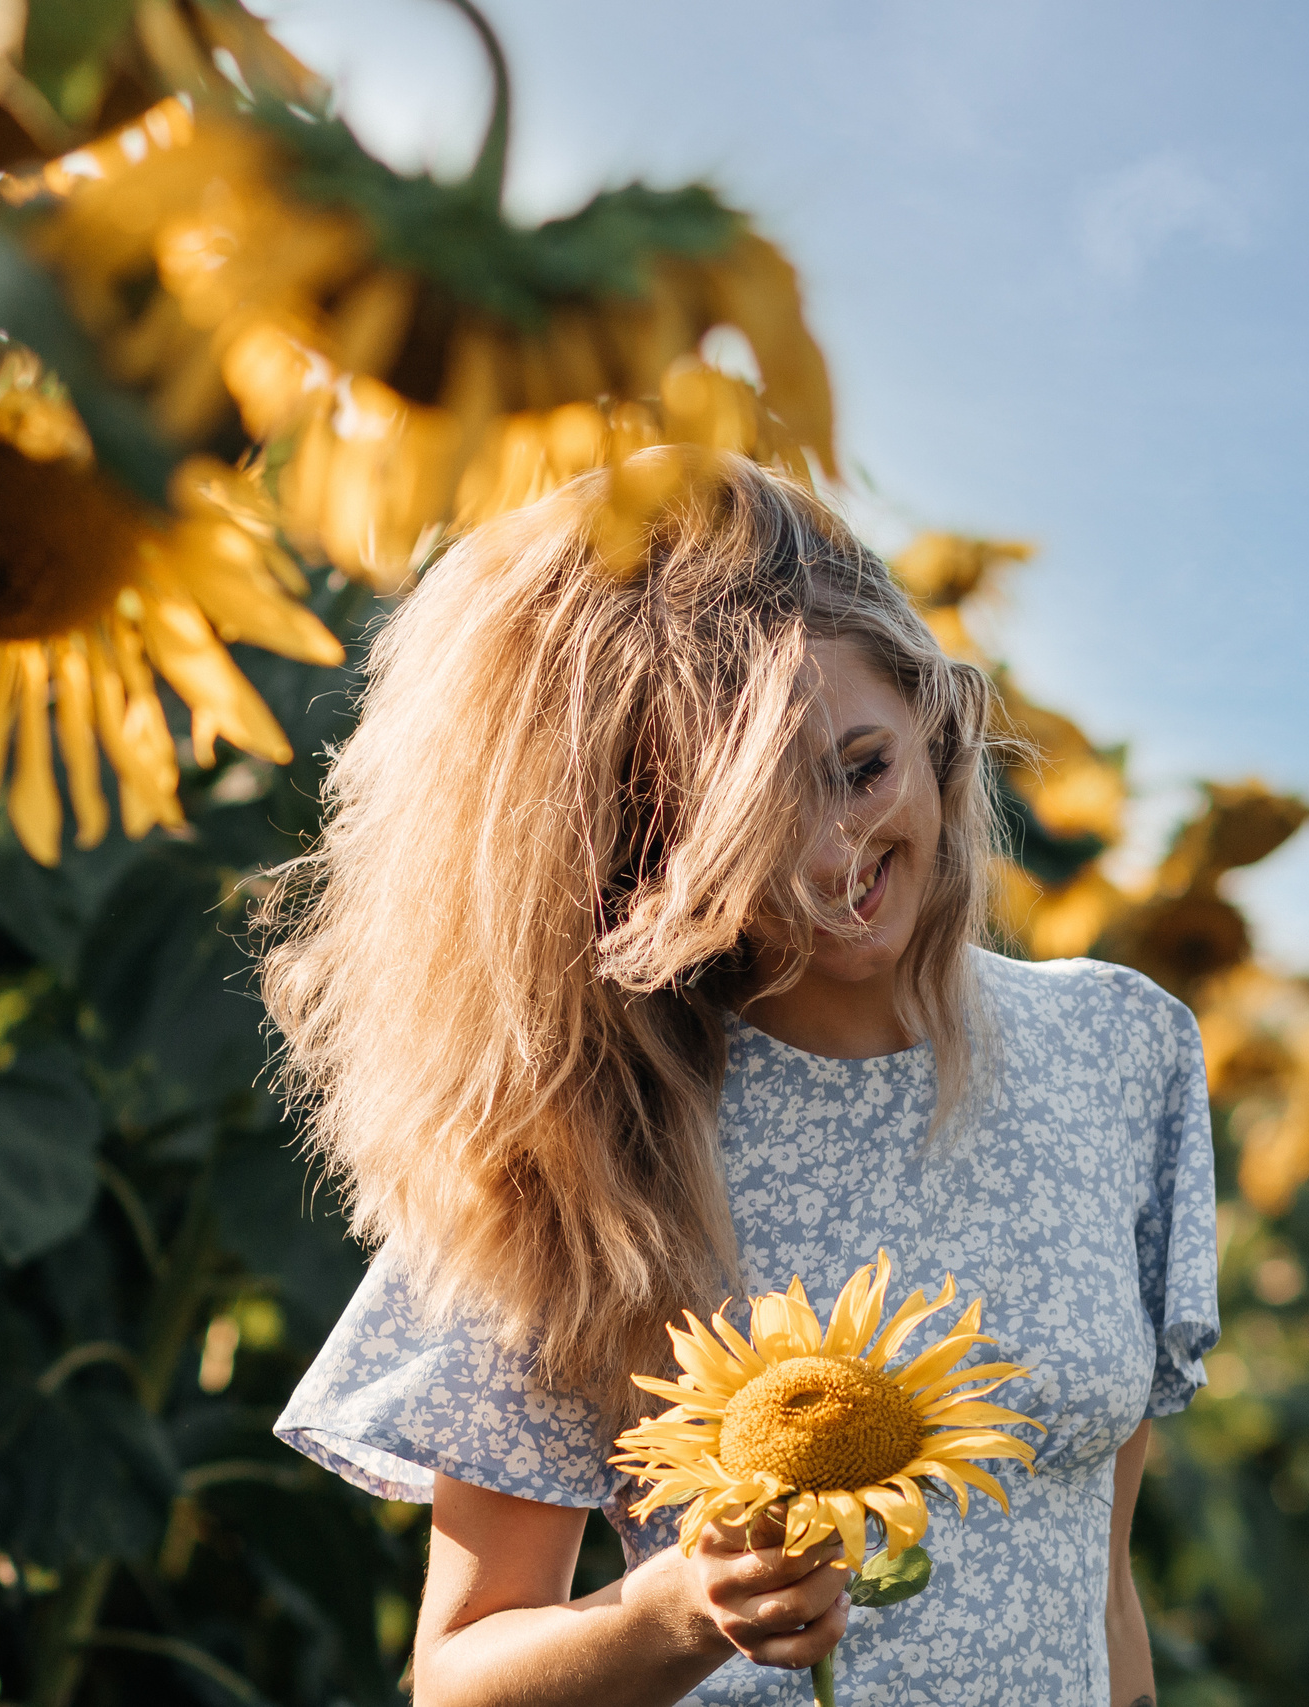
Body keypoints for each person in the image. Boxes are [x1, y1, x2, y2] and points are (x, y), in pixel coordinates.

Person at [266, 452, 1218, 1707]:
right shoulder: (584, 1138)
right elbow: (458, 1676)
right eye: (753, 826)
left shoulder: (1120, 1053)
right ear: (644, 857)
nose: (833, 862)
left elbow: (1100, 1589)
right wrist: (681, 1609)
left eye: (861, 768)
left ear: (933, 719)